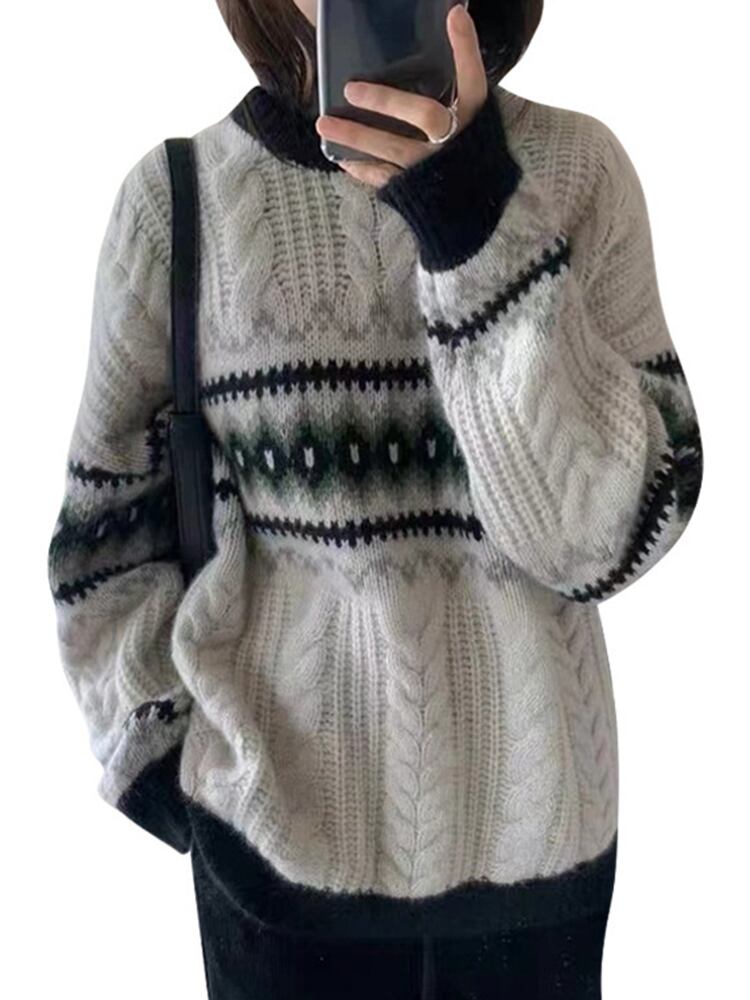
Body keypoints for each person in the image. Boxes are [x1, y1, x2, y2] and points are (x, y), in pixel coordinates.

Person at [46, 1, 704, 997]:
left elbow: (605, 542)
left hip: (540, 865)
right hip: (274, 870)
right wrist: (174, 777)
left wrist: (474, 221)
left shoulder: (577, 171)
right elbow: (104, 535)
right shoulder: (178, 199)